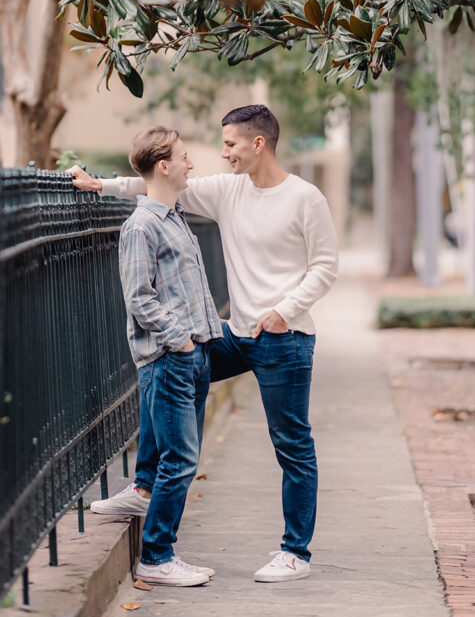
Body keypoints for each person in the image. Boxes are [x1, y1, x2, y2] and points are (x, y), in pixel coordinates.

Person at [74, 104, 338, 582]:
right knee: (173, 371)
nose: (222, 153)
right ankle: (145, 483)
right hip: (235, 335)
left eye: (231, 144)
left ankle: (294, 550)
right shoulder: (227, 191)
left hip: (285, 338)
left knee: (292, 443)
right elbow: (156, 185)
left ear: (258, 144)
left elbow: (325, 266)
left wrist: (284, 311)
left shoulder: (306, 198)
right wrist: (100, 185)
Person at [93, 126, 223, 587]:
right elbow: (140, 298)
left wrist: (203, 340)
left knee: (180, 457)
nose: (192, 164)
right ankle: (157, 556)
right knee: (180, 460)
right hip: (170, 358)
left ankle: (155, 531)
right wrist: (181, 339)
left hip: (193, 356)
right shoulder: (141, 225)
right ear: (164, 165)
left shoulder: (175, 216)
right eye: (185, 157)